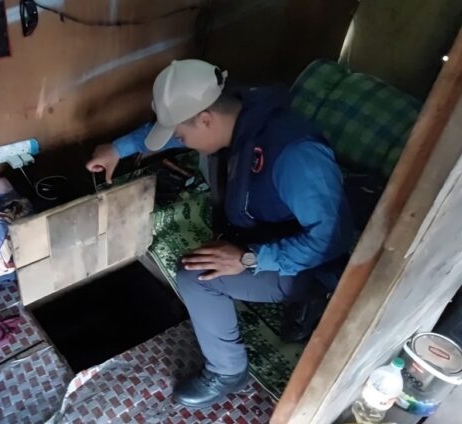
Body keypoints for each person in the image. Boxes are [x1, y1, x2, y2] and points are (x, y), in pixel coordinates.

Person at [86, 59, 354, 408]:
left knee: (196, 276)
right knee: (213, 232)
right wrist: (118, 149)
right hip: (260, 232)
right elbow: (170, 132)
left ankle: (228, 371)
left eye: (181, 137)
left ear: (205, 119)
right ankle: (297, 302)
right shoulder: (237, 114)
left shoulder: (295, 156)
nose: (181, 143)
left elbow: (332, 241)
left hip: (312, 264)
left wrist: (248, 259)